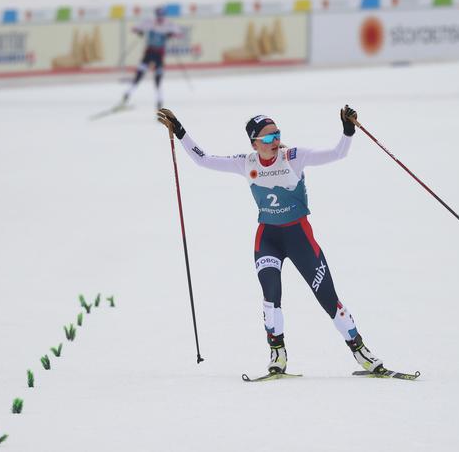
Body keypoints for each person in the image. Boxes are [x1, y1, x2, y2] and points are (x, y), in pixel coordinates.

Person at [157, 106, 385, 375]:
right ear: (254, 143)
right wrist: (180, 131)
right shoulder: (247, 162)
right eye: (267, 138)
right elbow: (204, 159)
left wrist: (347, 130)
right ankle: (278, 355)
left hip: (300, 238)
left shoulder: (293, 157)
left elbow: (338, 153)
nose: (274, 141)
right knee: (270, 295)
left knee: (327, 298)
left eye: (276, 135)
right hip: (268, 239)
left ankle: (361, 352)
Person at [122, 6, 181, 110]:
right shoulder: (149, 22)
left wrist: (171, 34)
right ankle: (127, 94)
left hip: (159, 54)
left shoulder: (168, 24)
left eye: (162, 16)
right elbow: (135, 28)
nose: (160, 19)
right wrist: (139, 31)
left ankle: (159, 99)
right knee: (140, 73)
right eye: (158, 16)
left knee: (158, 77)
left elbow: (179, 33)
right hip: (149, 53)